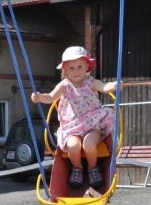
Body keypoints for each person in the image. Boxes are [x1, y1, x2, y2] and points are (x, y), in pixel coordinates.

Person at [31, 46, 123, 189]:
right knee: (73, 146)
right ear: (65, 70)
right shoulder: (64, 85)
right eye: (72, 68)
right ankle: (77, 168)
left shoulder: (91, 82)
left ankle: (93, 168)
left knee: (88, 145)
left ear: (87, 66)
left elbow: (104, 87)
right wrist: (39, 97)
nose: (76, 71)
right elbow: (50, 97)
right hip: (72, 126)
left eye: (80, 66)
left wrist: (115, 85)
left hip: (92, 124)